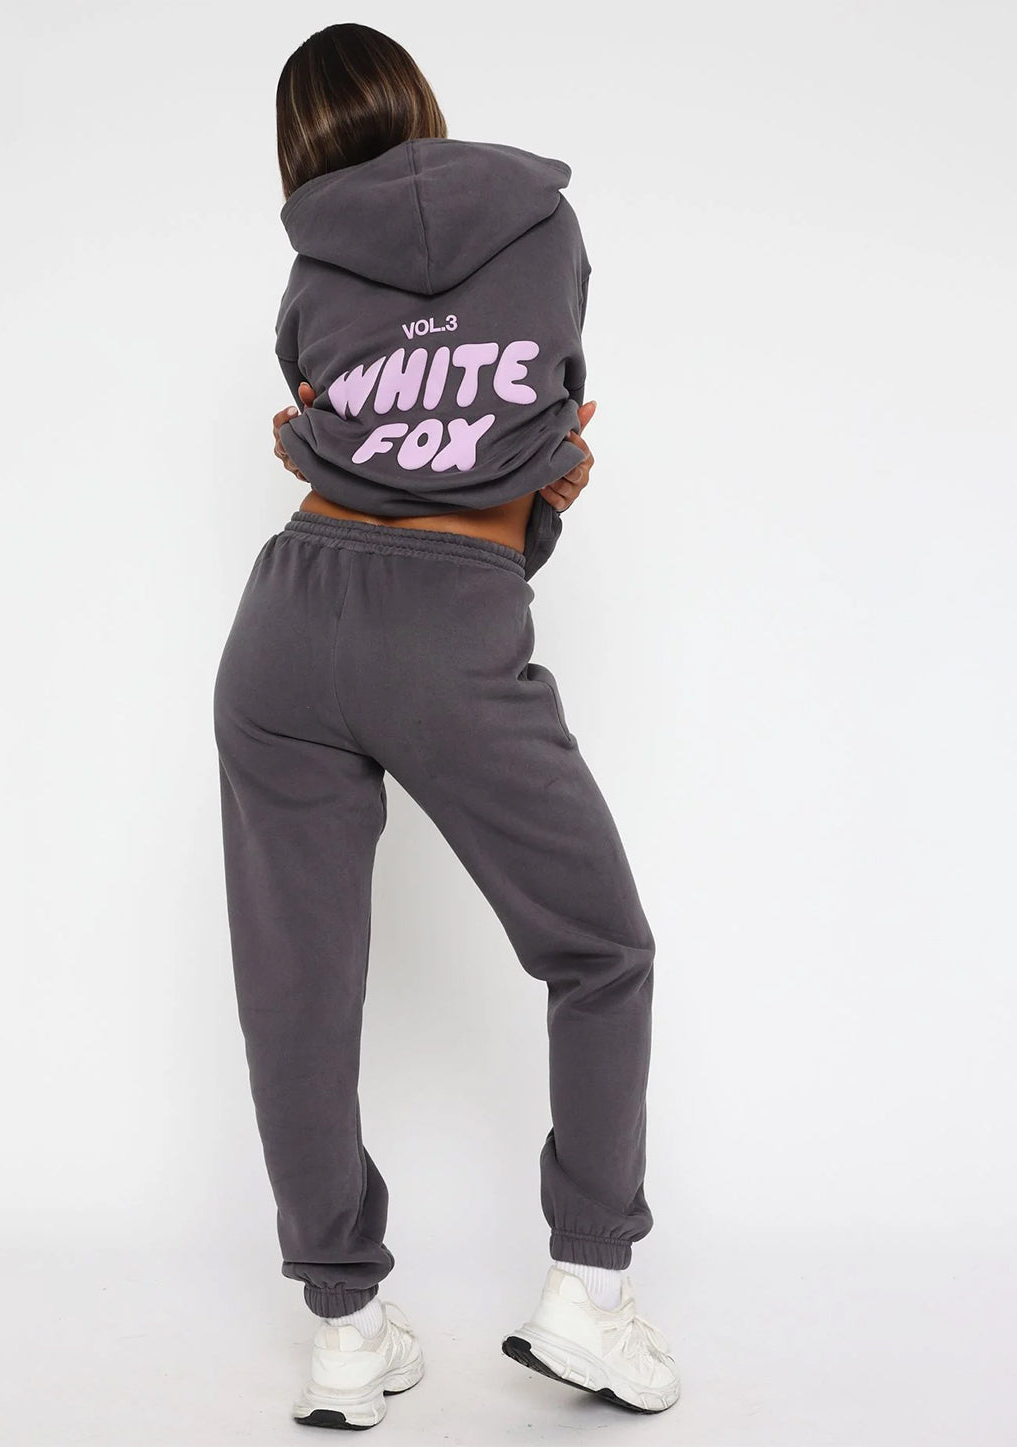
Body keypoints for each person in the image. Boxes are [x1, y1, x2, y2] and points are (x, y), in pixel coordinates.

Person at [213, 22, 680, 1430]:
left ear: (296, 147)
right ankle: (588, 1295)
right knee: (597, 951)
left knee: (297, 994)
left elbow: (320, 432)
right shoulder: (542, 226)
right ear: (420, 100)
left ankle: (344, 1334)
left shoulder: (310, 266)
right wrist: (537, 487)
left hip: (286, 622)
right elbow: (537, 429)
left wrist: (352, 449)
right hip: (448, 625)